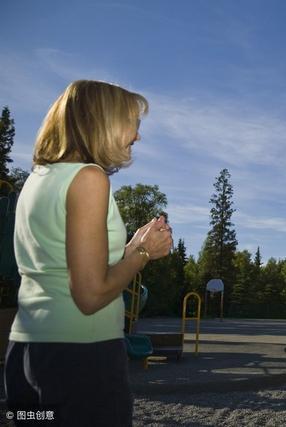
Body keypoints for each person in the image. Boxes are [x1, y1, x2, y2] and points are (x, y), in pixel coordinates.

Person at [5, 80, 173, 426]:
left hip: (25, 353)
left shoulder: (39, 178)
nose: (137, 136)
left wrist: (131, 247)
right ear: (103, 122)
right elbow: (91, 294)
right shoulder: (90, 178)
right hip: (82, 357)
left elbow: (64, 263)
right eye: (133, 124)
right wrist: (143, 256)